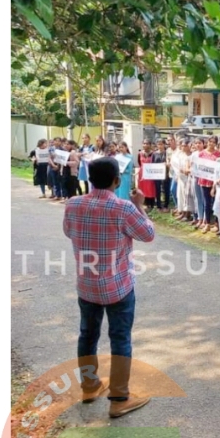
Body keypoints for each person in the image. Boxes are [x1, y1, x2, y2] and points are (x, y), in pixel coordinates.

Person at [63, 157, 155, 417]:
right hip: (119, 286)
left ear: (89, 180)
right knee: (120, 338)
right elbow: (148, 234)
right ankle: (118, 398)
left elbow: (69, 232)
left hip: (87, 285)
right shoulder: (124, 208)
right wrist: (140, 207)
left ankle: (90, 386)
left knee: (87, 335)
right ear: (117, 180)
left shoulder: (73, 204)